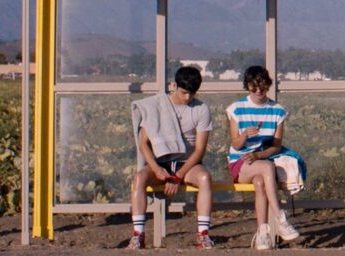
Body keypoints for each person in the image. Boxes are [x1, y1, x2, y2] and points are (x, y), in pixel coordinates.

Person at [128, 66, 214, 249]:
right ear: (174, 86)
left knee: (205, 178)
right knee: (139, 178)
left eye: (192, 94)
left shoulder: (201, 109)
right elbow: (143, 143)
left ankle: (203, 234)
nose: (187, 98)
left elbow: (199, 150)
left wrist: (178, 176)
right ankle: (138, 235)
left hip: (187, 163)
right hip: (161, 161)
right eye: (184, 93)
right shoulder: (157, 106)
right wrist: (156, 168)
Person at [226, 65, 300, 250]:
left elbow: (276, 146)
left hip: (260, 160)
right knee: (267, 167)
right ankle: (280, 218)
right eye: (253, 86)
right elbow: (235, 144)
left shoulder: (278, 111)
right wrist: (245, 135)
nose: (258, 90)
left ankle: (262, 233)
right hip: (240, 162)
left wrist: (258, 155)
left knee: (260, 182)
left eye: (262, 86)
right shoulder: (237, 108)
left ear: (268, 85)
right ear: (247, 86)